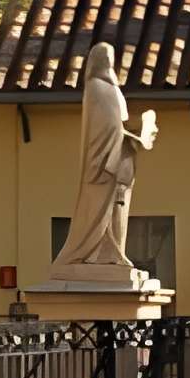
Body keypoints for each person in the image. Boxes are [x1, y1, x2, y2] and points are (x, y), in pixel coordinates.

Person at [53, 42, 159, 279]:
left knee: (119, 209)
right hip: (104, 164)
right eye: (107, 58)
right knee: (101, 211)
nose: (111, 63)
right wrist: (136, 138)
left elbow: (116, 127)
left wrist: (136, 138)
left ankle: (113, 252)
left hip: (120, 160)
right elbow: (106, 129)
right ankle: (92, 252)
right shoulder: (97, 88)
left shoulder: (109, 88)